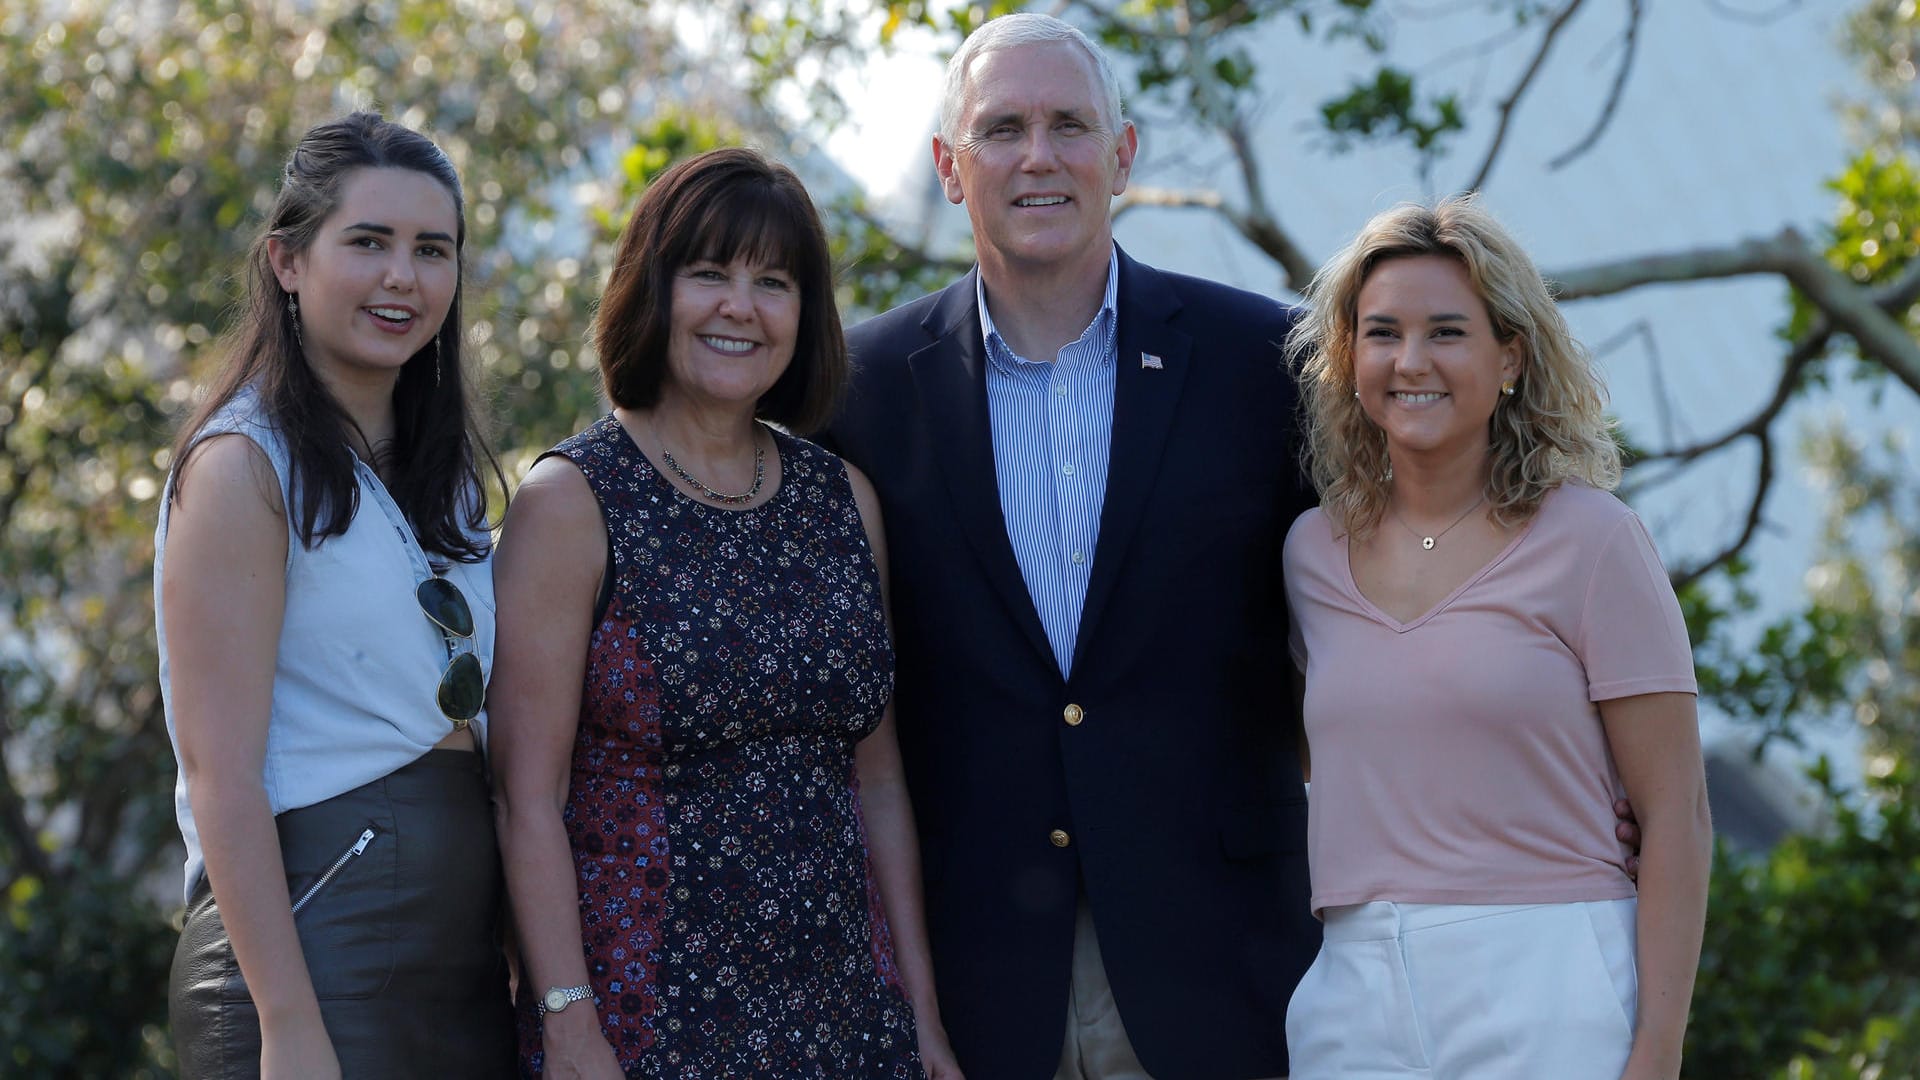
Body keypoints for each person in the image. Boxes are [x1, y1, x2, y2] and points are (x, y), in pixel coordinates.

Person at [828, 14, 1320, 1078]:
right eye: (1001, 129)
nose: (1038, 156)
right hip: (977, 977)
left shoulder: (1268, 364)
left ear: (1124, 155)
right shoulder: (855, 393)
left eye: (1069, 125)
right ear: (950, 169)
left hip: (1225, 963)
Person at [489, 147, 961, 1078]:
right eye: (707, 274)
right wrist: (570, 1026)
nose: (739, 306)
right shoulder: (571, 502)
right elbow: (522, 799)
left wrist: (926, 1022)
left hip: (848, 1024)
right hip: (644, 1020)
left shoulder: (843, 501)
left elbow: (879, 786)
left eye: (772, 281)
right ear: (650, 292)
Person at [1280, 196, 1713, 1078]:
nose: (1410, 362)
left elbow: (1678, 812)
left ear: (1509, 356)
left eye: (1447, 332)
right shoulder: (1308, 555)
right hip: (1351, 992)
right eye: (1381, 333)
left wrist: (1658, 1050)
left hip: (1549, 975)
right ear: (1347, 358)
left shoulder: (1594, 541)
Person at [157, 112, 514, 1078]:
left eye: (431, 250)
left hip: (457, 962)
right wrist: (287, 1023)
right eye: (368, 242)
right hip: (312, 955)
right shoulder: (243, 465)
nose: (403, 276)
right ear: (286, 261)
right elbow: (219, 774)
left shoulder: (439, 476)